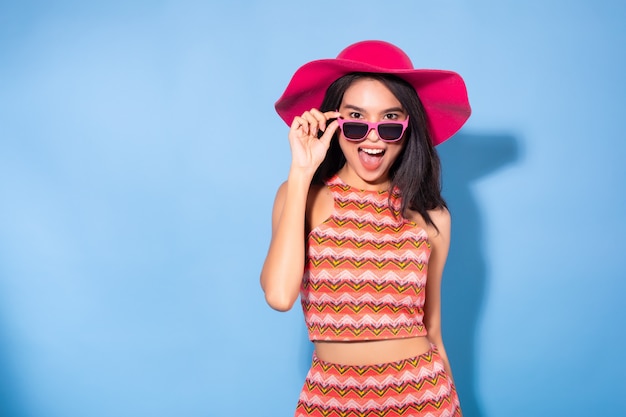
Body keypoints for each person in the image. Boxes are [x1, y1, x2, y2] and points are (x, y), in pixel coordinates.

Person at [260, 40, 471, 417]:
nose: (373, 136)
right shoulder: (304, 195)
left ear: (408, 129)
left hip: (423, 397)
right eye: (356, 120)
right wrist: (301, 171)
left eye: (390, 122)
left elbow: (433, 330)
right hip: (332, 397)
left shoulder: (431, 215)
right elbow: (279, 295)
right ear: (332, 122)